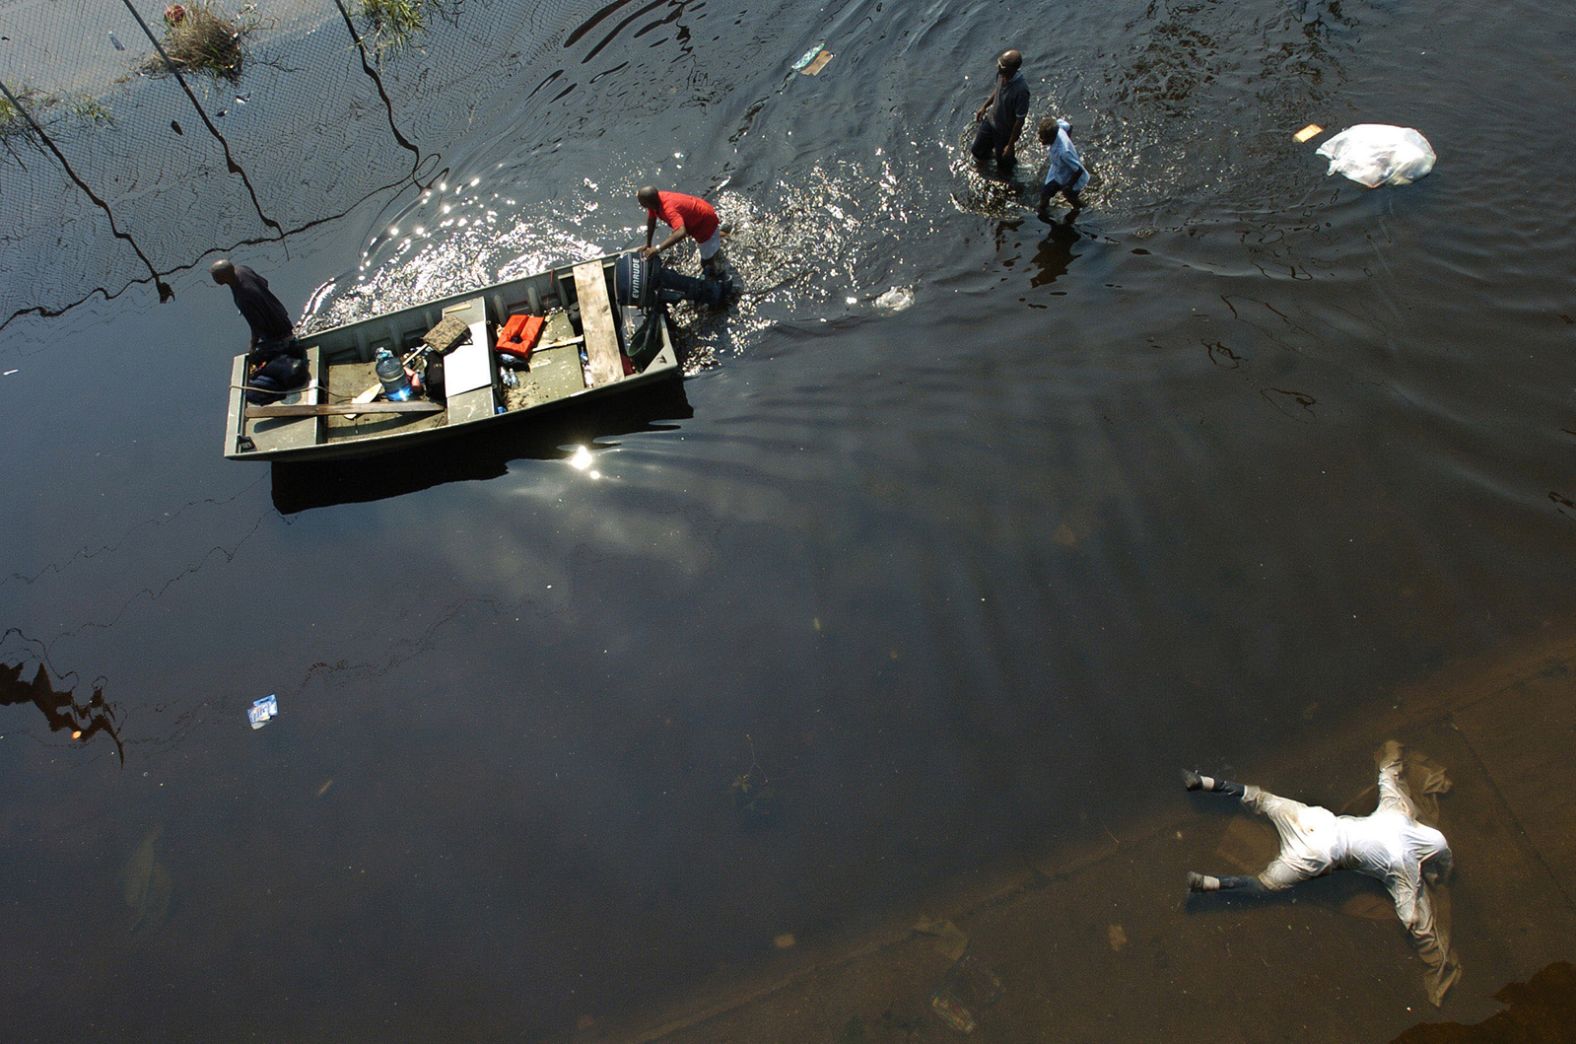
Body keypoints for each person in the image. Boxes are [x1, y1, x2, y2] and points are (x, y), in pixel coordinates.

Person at [1182, 741, 1462, 1006]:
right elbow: (1411, 914)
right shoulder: (1404, 869)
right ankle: (1206, 883)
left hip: (1315, 820)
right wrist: (1435, 885)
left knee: (1262, 799)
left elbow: (1388, 771)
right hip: (1315, 856)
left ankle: (1203, 782)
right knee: (1265, 885)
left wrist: (1393, 751)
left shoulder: (1397, 812)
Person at [211, 258, 307, 404]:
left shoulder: (244, 297)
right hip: (281, 314)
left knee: (257, 358)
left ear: (224, 277)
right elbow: (264, 282)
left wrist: (253, 345)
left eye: (215, 276)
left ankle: (283, 359)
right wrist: (263, 302)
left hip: (275, 331)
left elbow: (256, 326)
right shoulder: (242, 269)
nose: (214, 279)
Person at [638, 186, 724, 277]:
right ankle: (718, 237)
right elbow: (652, 220)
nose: (640, 204)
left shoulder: (668, 209)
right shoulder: (655, 201)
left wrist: (657, 249)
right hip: (697, 215)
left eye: (641, 202)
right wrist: (648, 245)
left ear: (648, 203)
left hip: (705, 222)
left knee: (706, 262)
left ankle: (717, 276)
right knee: (712, 237)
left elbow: (681, 232)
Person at [971, 49, 1030, 171]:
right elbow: (998, 90)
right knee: (977, 151)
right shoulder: (1001, 74)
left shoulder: (1021, 91)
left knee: (1004, 166)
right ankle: (993, 157)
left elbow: (1020, 120)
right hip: (990, 121)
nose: (997, 66)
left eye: (1001, 65)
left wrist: (1010, 144)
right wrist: (985, 106)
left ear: (1012, 69)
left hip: (1004, 131)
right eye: (998, 63)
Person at [1037, 116, 1089, 215]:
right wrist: (1068, 139)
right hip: (1059, 168)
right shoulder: (1058, 126)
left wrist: (1068, 186)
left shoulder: (1063, 152)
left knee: (1072, 199)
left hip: (1069, 176)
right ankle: (1042, 211)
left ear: (1052, 137)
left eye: (1043, 138)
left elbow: (1078, 170)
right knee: (1045, 193)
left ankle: (1085, 211)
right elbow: (1069, 126)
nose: (1041, 140)